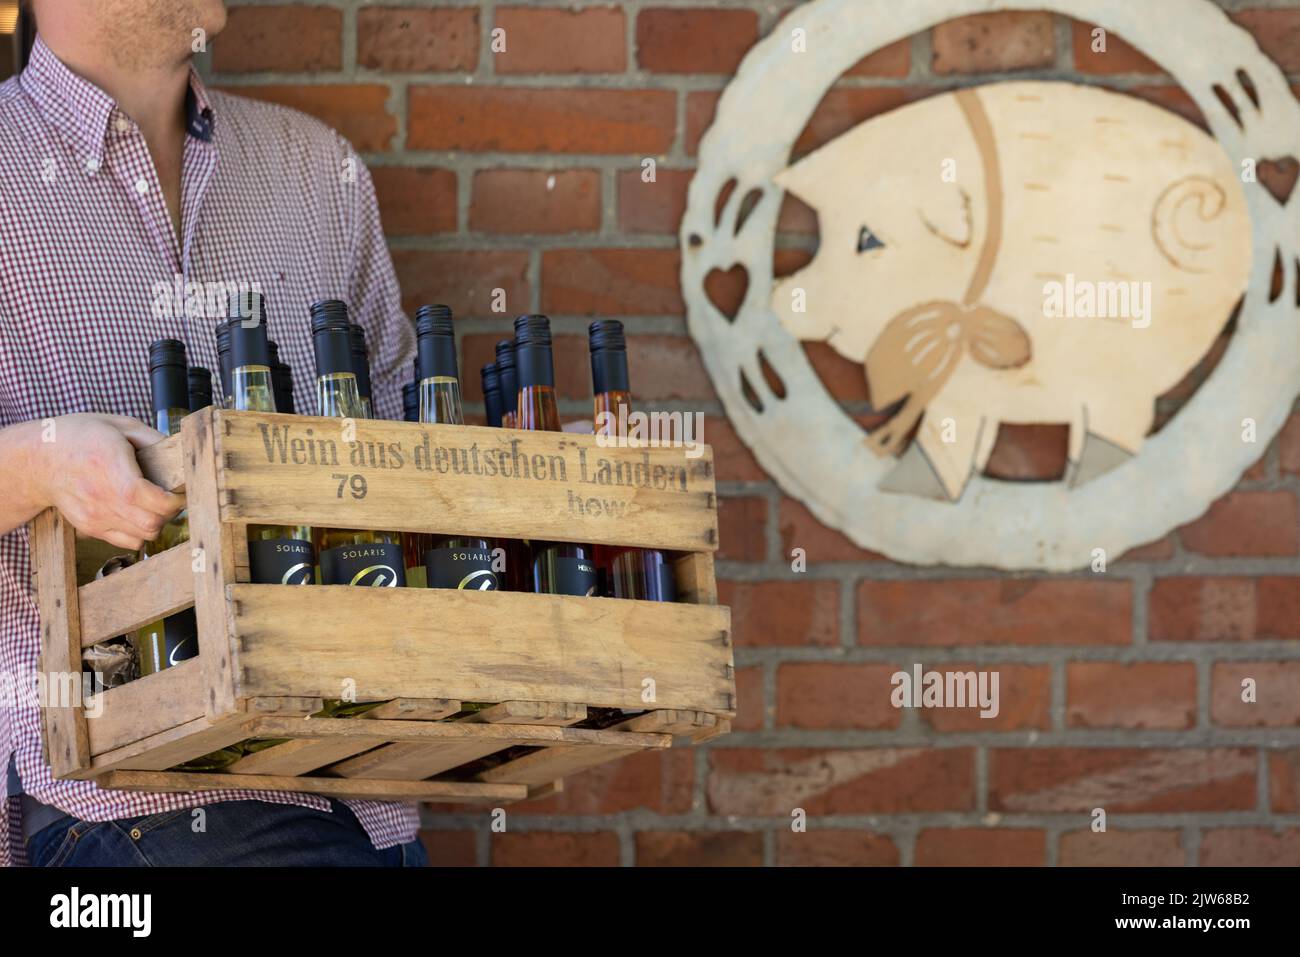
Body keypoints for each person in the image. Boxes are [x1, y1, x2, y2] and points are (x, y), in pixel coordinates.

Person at [0, 0, 423, 866]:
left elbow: (414, 439)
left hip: (376, 798)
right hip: (126, 796)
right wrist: (45, 463)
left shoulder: (317, 167)